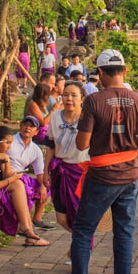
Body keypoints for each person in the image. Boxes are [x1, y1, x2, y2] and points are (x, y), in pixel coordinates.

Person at [53, 48, 138, 274]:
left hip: (101, 174)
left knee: (83, 231)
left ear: (99, 73)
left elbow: (82, 143)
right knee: (124, 233)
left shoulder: (94, 101)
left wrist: (100, 137)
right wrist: (128, 141)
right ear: (125, 71)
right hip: (130, 173)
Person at [0, 127, 50, 246]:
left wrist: (7, 160)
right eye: (7, 143)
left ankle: (28, 231)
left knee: (21, 186)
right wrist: (10, 180)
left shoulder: (1, 155)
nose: (9, 147)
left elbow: (7, 175)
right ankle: (27, 230)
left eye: (11, 143)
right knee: (18, 185)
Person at [46, 82, 91, 232]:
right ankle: (80, 240)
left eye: (73, 95)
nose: (69, 99)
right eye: (65, 95)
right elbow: (51, 147)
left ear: (82, 98)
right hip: (60, 170)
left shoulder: (88, 119)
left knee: (81, 215)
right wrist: (46, 172)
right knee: (61, 217)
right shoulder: (55, 117)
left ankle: (81, 245)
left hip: (81, 171)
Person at [7, 116, 53, 230]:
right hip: (8, 176)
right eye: (25, 125)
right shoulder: (11, 141)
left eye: (31, 126)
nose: (27, 128)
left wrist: (42, 186)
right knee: (26, 190)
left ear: (36, 132)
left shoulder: (35, 149)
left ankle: (37, 218)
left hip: (21, 176)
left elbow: (40, 173)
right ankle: (24, 224)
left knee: (46, 186)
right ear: (20, 126)